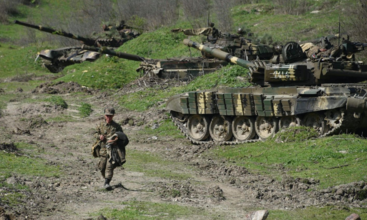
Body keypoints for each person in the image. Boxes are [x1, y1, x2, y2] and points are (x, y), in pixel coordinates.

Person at [93, 107, 123, 190]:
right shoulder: (100, 125)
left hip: (112, 150)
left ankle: (107, 183)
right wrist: (99, 136)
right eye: (107, 116)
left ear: (113, 116)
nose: (108, 117)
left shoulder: (117, 126)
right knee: (102, 167)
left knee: (109, 166)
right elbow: (95, 133)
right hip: (102, 150)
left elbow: (122, 136)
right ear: (105, 116)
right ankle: (106, 178)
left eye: (110, 116)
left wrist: (115, 140)